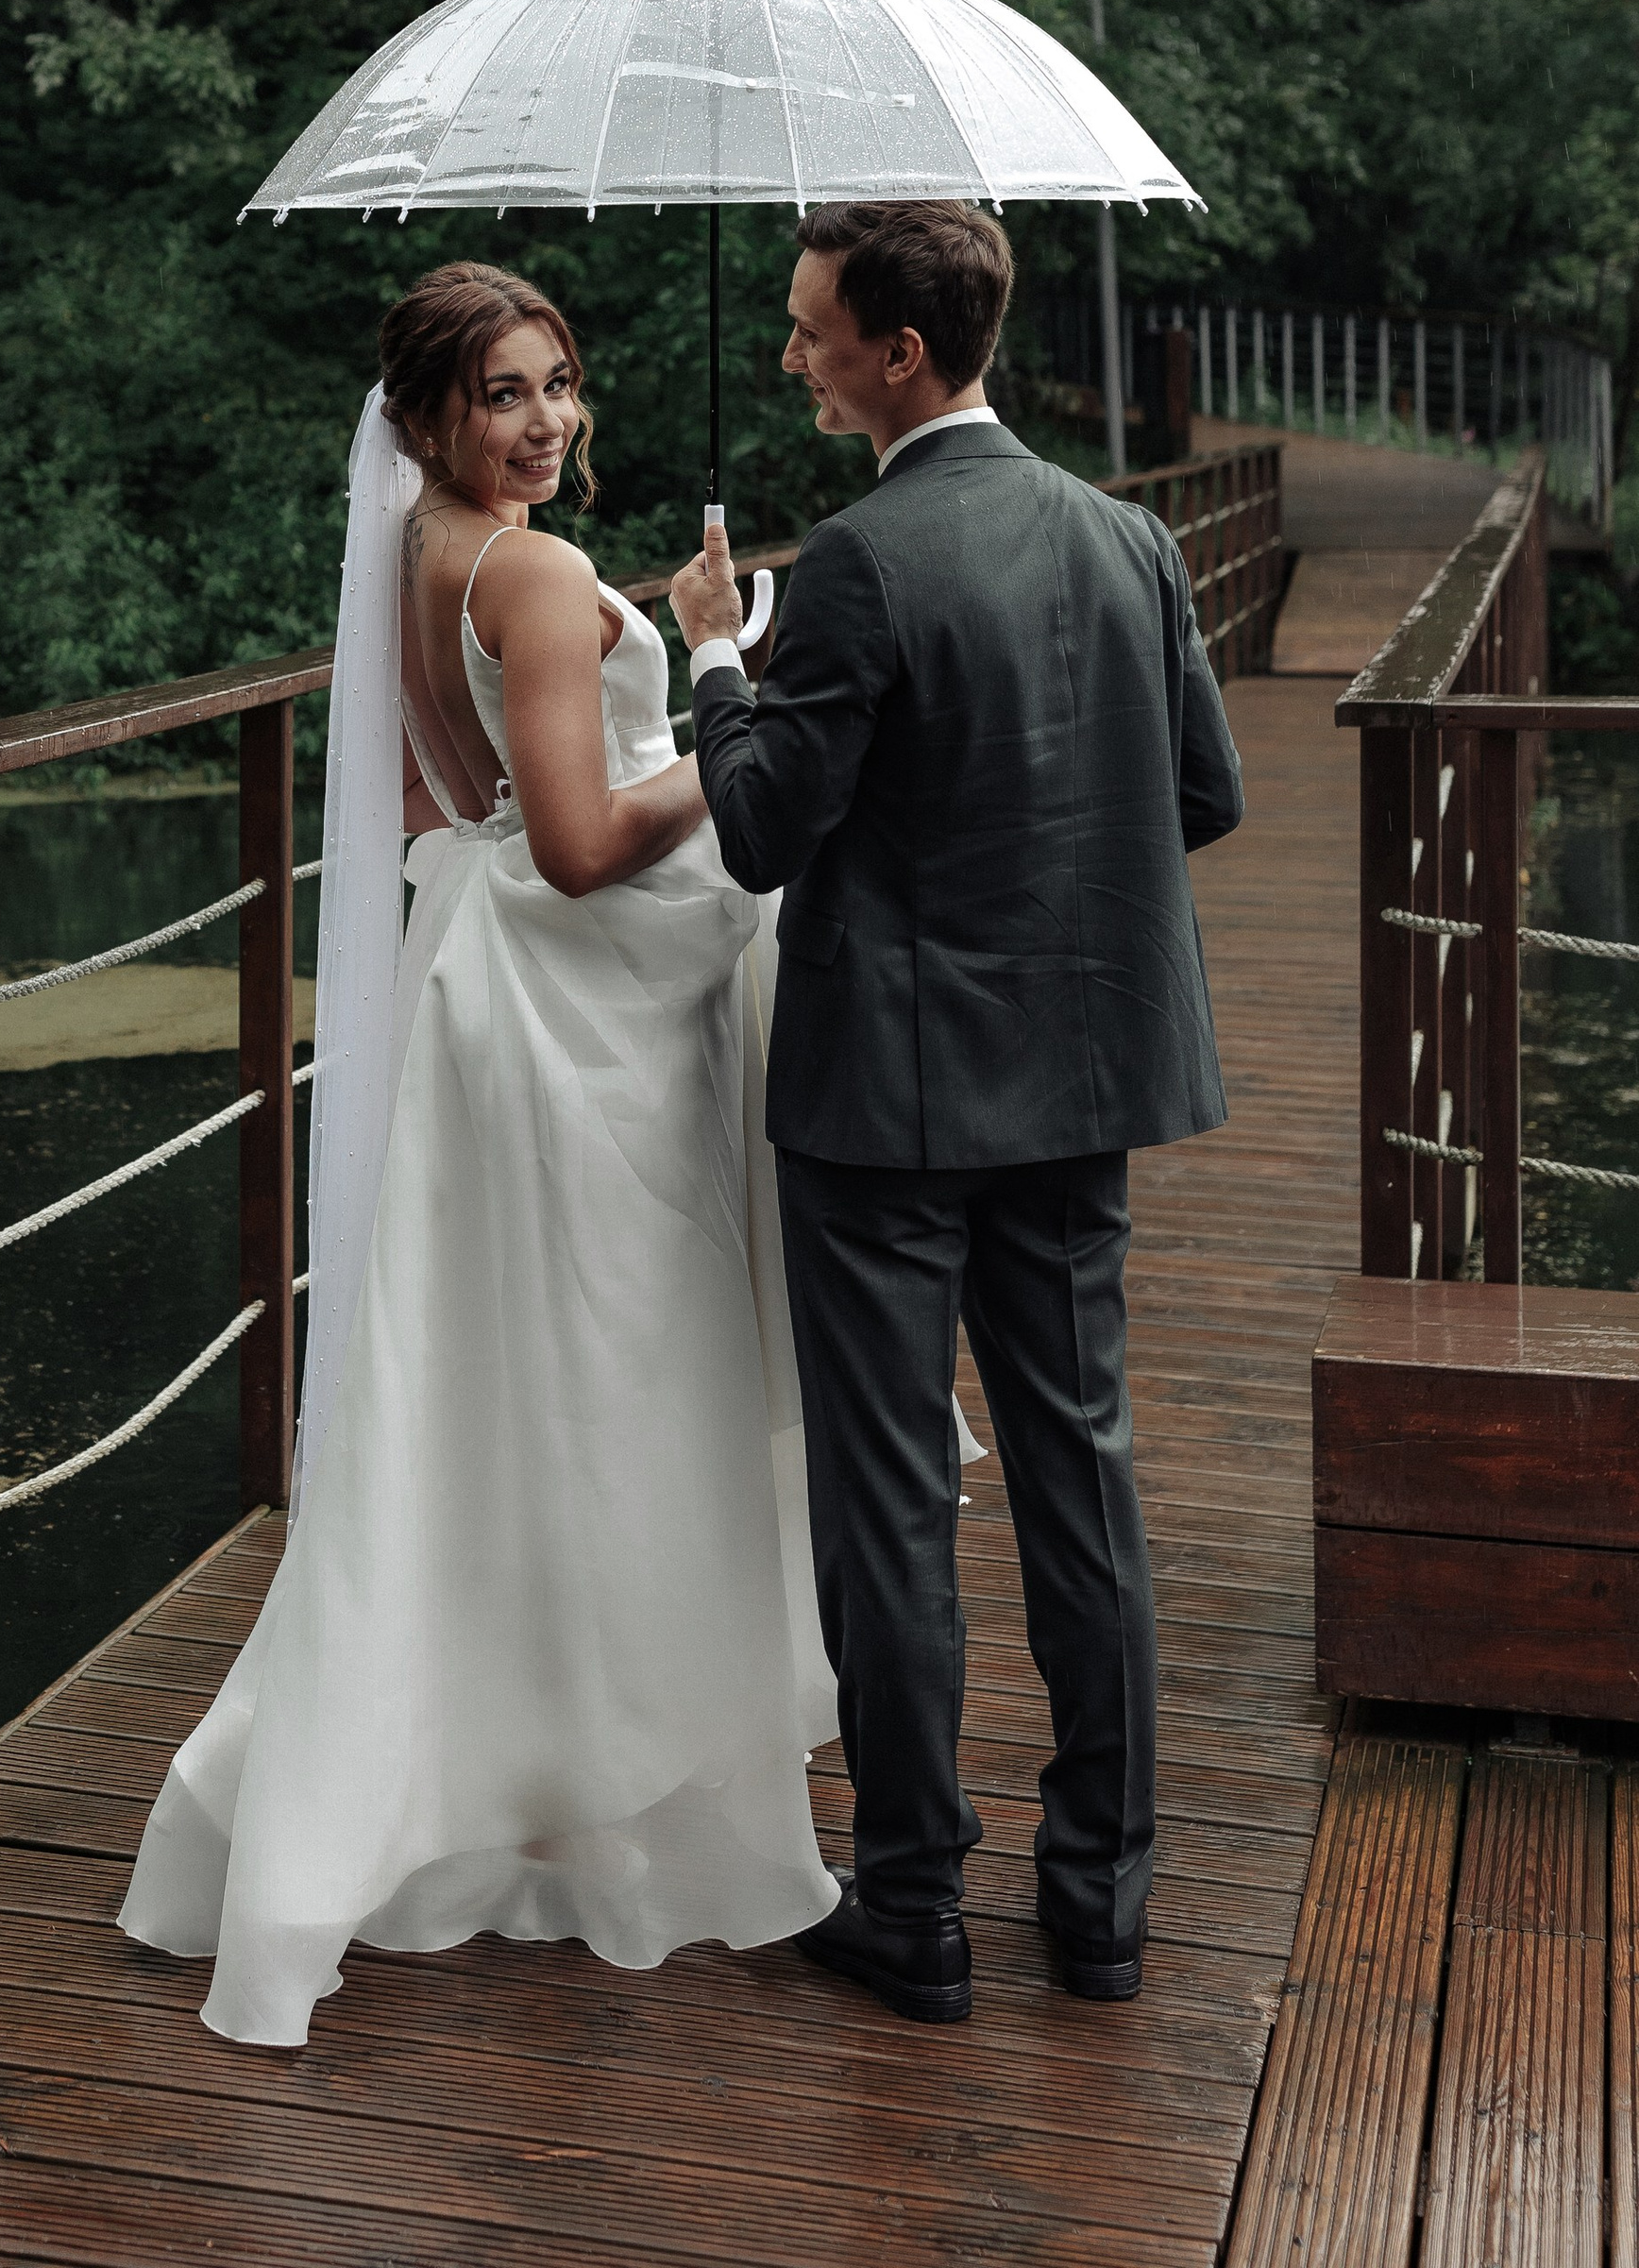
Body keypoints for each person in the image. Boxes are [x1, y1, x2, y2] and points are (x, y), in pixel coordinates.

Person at [119, 260, 841, 2045]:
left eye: (560, 384)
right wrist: (744, 698)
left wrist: (670, 638)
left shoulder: (419, 553)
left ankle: (490, 1775)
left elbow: (481, 811)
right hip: (576, 1021)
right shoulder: (520, 568)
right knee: (604, 1397)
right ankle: (588, 1793)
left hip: (501, 991)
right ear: (432, 415)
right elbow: (585, 840)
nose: (547, 420)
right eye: (506, 393)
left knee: (500, 1407)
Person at [668, 199, 1243, 2026]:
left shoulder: (850, 562)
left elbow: (762, 833)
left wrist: (712, 662)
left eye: (811, 328)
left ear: (899, 352)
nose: (791, 354)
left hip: (888, 1111)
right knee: (1083, 1477)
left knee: (891, 1501)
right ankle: (1106, 1910)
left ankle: (913, 1908)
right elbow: (1203, 797)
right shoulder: (1130, 540)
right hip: (1080, 1085)